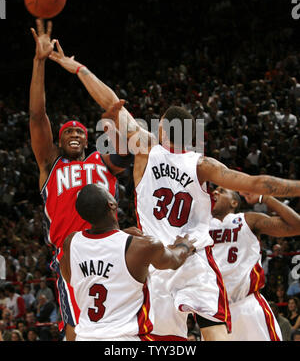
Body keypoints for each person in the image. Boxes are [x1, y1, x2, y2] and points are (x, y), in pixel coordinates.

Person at [49, 41, 300, 341]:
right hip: (194, 258)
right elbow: (259, 184)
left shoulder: (144, 149)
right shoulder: (203, 165)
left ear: (163, 130)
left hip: (156, 262)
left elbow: (111, 100)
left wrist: (78, 68)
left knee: (166, 342)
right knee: (214, 333)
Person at [29, 19, 133, 340]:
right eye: (68, 132)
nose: (74, 134)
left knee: (125, 326)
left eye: (79, 132)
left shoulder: (102, 161)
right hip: (71, 253)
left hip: (112, 248)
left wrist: (77, 69)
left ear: (87, 141)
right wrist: (39, 62)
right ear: (59, 142)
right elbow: (37, 116)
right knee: (77, 329)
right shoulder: (50, 165)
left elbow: (126, 143)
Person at [59, 183, 196, 341]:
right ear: (112, 204)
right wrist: (184, 245)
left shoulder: (72, 243)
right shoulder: (141, 247)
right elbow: (174, 260)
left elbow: (71, 278)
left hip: (84, 337)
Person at [209, 188, 300, 341]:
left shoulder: (247, 220)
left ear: (234, 202)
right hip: (214, 312)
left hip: (247, 307)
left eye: (222, 191)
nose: (215, 193)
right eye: (214, 191)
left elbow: (296, 225)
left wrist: (265, 198)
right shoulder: (198, 226)